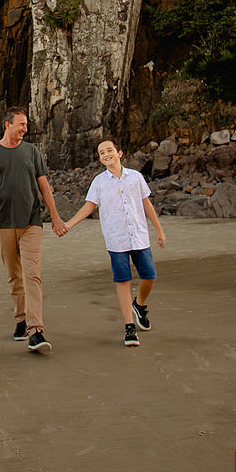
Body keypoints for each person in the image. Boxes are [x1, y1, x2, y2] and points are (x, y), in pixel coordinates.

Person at [0, 107, 67, 352]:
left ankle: (36, 330)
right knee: (14, 275)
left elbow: (45, 187)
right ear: (8, 124)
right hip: (4, 223)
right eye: (21, 124)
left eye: (26, 124)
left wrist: (55, 218)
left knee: (32, 274)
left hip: (31, 223)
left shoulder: (32, 152)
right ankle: (20, 319)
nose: (25, 128)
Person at [62, 138, 166, 346]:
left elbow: (147, 205)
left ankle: (140, 305)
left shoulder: (135, 178)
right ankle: (129, 327)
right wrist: (67, 225)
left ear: (119, 153)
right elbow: (88, 207)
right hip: (116, 240)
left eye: (109, 150)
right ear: (100, 159)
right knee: (123, 281)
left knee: (150, 276)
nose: (106, 154)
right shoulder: (99, 182)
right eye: (102, 153)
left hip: (139, 236)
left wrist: (159, 231)